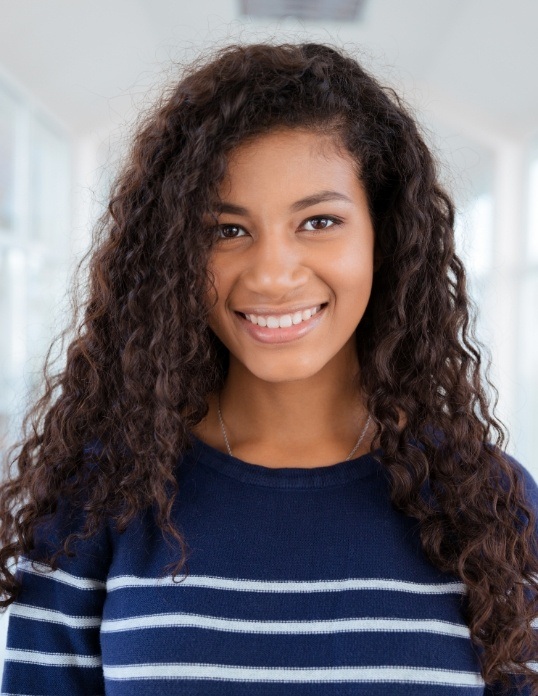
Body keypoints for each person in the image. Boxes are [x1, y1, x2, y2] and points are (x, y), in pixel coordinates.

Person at [0, 41, 537, 696]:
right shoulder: (94, 502)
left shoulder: (490, 506)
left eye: (318, 221)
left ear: (384, 237)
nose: (273, 275)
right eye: (227, 231)